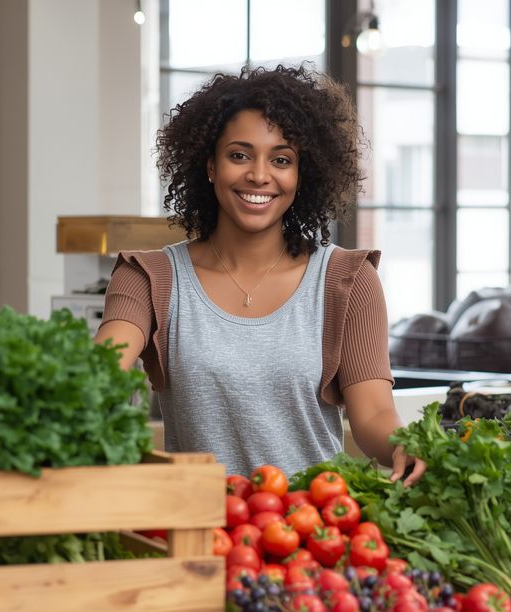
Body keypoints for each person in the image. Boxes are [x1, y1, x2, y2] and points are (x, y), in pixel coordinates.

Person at [94, 64, 426, 486]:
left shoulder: (348, 280)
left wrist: (405, 444)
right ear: (210, 165)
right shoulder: (148, 277)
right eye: (239, 154)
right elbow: (101, 373)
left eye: (281, 159)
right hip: (201, 530)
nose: (259, 174)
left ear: (301, 175)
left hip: (314, 528)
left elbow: (375, 413)